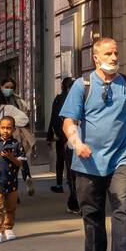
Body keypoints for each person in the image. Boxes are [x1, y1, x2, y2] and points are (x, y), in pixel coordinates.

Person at [60, 38, 126, 251]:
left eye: (116, 53)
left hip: (120, 158)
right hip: (87, 164)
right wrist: (77, 144)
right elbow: (69, 121)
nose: (113, 58)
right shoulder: (82, 85)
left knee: (122, 209)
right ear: (96, 58)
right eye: (108, 54)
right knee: (92, 214)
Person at [0, 114, 28, 244]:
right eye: (2, 127)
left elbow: (20, 163)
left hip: (11, 182)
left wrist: (11, 157)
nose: (5, 130)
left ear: (13, 129)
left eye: (8, 128)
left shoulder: (16, 144)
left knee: (11, 207)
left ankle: (8, 228)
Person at [0, 90, 35, 196]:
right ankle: (26, 177)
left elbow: (25, 118)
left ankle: (11, 191)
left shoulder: (11, 105)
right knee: (16, 163)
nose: (9, 89)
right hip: (10, 140)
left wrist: (7, 122)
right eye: (6, 87)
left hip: (10, 140)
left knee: (10, 165)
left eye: (11, 87)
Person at [47, 77, 79, 212]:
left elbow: (54, 118)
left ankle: (61, 185)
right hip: (77, 138)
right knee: (75, 170)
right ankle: (74, 199)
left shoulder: (60, 98)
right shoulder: (76, 98)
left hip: (65, 139)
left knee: (65, 164)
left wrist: (52, 135)